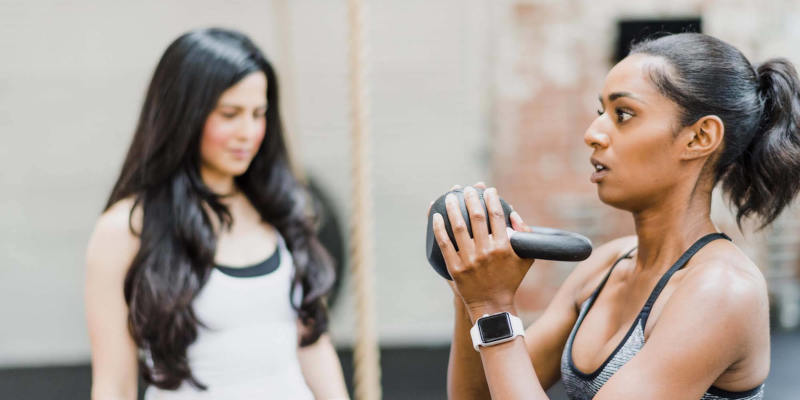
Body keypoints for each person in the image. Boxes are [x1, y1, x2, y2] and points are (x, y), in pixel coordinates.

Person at [437, 33, 800, 399]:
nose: (592, 134)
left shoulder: (723, 290)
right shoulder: (606, 265)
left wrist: (493, 307)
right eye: (600, 114)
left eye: (623, 114)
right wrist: (469, 292)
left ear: (699, 137)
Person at [85, 28, 349, 399]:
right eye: (230, 114)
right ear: (185, 115)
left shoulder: (281, 208)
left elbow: (314, 346)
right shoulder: (125, 229)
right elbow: (114, 385)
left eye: (259, 114)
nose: (249, 131)